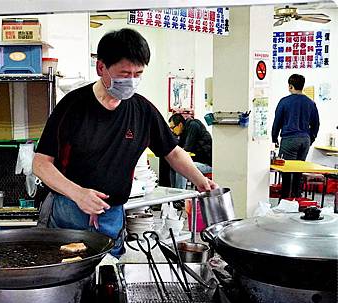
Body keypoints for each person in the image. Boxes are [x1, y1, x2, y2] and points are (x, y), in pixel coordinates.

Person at [33, 29, 217, 257]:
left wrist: (202, 183)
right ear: (101, 68)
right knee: (68, 271)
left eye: (137, 74)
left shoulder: (142, 110)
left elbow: (173, 152)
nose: (131, 81)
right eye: (124, 74)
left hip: (113, 214)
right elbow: (41, 164)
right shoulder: (73, 106)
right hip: (69, 211)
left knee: (109, 277)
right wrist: (78, 194)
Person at [271, 73, 320, 198]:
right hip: (305, 140)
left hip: (289, 139)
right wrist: (311, 138)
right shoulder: (310, 103)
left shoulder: (284, 102)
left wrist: (274, 137)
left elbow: (277, 121)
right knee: (298, 170)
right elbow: (316, 124)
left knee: (286, 172)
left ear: (290, 86)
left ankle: (286, 201)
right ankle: (297, 198)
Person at [168, 113, 213, 189]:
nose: (172, 131)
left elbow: (186, 148)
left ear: (180, 125)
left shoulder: (193, 125)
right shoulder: (183, 131)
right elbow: (177, 148)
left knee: (182, 166)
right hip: (197, 161)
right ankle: (174, 191)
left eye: (172, 128)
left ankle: (180, 196)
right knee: (173, 166)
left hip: (207, 164)